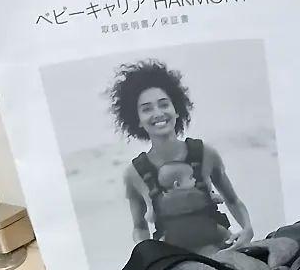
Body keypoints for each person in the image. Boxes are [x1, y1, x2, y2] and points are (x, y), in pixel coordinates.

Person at [107, 59, 254, 255]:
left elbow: (232, 200)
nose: (158, 113)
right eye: (147, 109)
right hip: (173, 259)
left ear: (176, 109)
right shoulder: (134, 174)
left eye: (163, 104)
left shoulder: (206, 154)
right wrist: (147, 252)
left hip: (218, 249)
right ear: (138, 120)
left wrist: (247, 230)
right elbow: (140, 227)